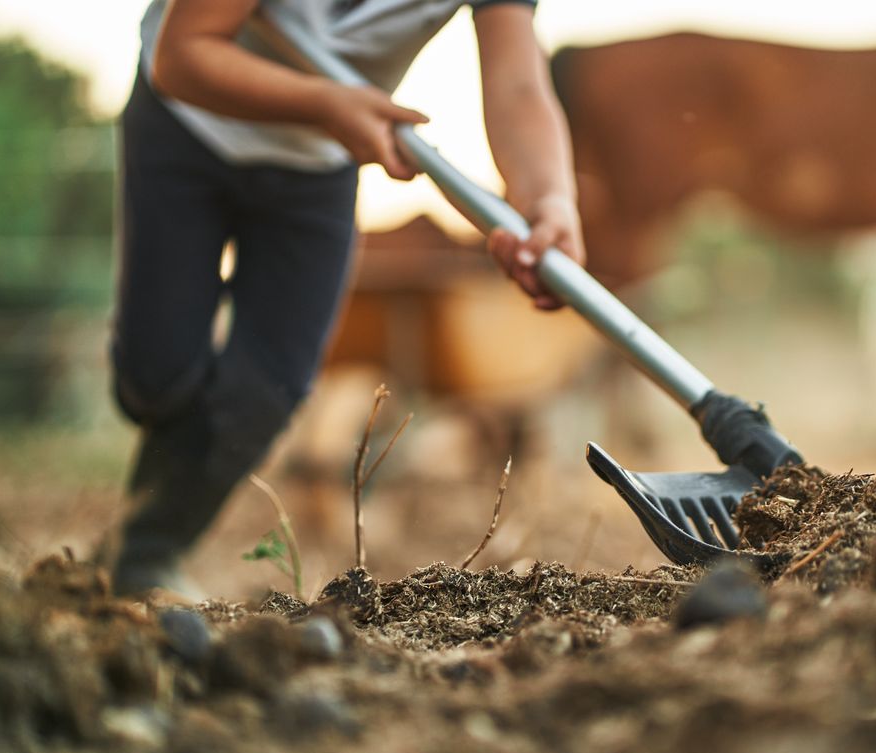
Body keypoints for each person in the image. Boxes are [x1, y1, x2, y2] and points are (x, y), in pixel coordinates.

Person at [111, 0, 582, 597]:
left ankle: (146, 553)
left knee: (268, 387)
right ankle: (150, 393)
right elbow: (186, 54)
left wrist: (549, 197)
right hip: (187, 126)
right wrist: (325, 102)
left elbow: (517, 82)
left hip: (319, 165)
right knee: (157, 378)